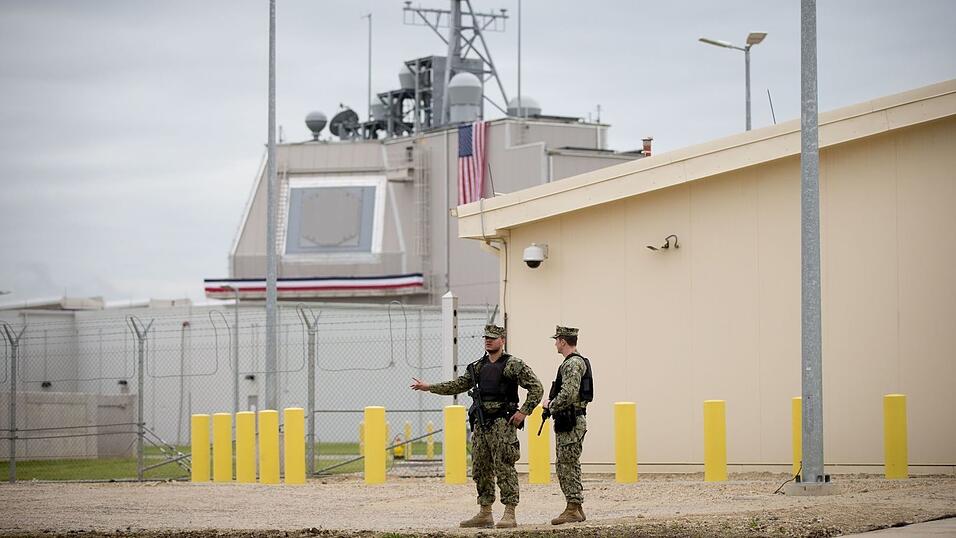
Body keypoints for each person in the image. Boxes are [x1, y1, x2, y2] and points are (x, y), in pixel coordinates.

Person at [411, 324, 543, 529]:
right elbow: (458, 385)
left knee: (504, 466)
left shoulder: (513, 364)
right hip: (482, 424)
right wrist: (429, 388)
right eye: (486, 338)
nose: (488, 340)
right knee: (480, 467)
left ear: (502, 340)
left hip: (503, 422)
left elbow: (536, 388)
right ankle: (485, 512)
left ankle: (509, 512)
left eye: (493, 337)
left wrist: (524, 411)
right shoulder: (477, 367)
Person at [543, 325, 593, 525]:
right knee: (567, 462)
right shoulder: (575, 362)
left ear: (563, 341)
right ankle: (576, 507)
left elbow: (569, 393)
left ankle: (572, 507)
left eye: (557, 340)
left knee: (566, 464)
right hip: (570, 420)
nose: (555, 343)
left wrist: (550, 405)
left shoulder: (572, 364)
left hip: (571, 421)